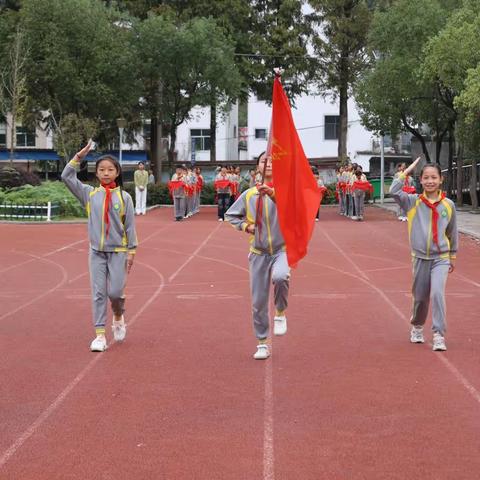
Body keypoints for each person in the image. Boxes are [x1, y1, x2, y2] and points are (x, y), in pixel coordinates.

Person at [61, 141, 137, 352]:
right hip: (96, 252)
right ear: (96, 174)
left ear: (117, 172)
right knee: (98, 293)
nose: (106, 173)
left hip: (118, 252)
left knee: (115, 292)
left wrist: (132, 251)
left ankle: (119, 316)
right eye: (102, 170)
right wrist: (79, 156)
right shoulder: (89, 194)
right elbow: (67, 177)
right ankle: (100, 335)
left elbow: (130, 226)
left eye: (110, 170)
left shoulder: (125, 197)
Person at [225, 152, 289, 360]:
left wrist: (271, 194)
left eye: (272, 161)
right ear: (257, 168)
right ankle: (262, 342)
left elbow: (292, 209)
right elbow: (231, 215)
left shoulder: (285, 191)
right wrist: (246, 226)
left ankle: (280, 312)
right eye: (264, 161)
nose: (268, 164)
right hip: (258, 253)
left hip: (282, 249)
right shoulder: (249, 195)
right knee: (258, 301)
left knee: (281, 277)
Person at [390, 158, 458, 351]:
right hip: (420, 257)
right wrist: (404, 173)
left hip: (441, 258)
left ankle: (438, 334)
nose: (430, 181)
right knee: (420, 297)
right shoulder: (412, 202)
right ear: (420, 180)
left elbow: (452, 231)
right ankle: (417, 326)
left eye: (434, 177)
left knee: (437, 293)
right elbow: (393, 191)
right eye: (426, 177)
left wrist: (452, 255)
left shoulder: (448, 205)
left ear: (441, 179)